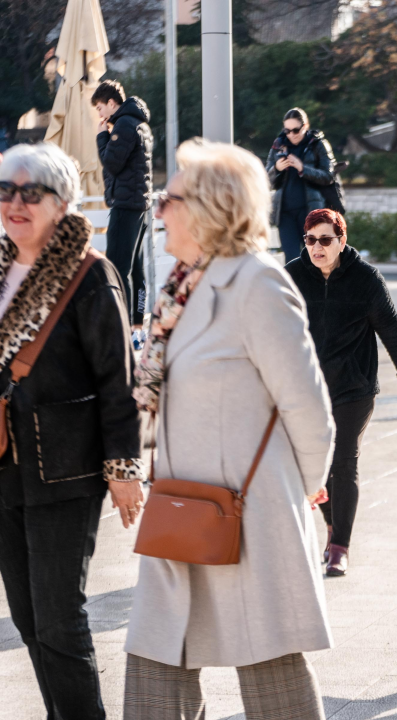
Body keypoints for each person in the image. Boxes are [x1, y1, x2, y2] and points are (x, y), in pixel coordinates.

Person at [124, 140, 336, 718]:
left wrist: (297, 496)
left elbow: (309, 413)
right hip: (178, 512)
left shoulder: (258, 283)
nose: (158, 208)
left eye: (170, 197)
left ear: (212, 206)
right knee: (152, 667)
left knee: (274, 681)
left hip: (248, 519)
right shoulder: (180, 288)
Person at [0, 144, 143, 719]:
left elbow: (119, 380)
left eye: (30, 192)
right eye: (6, 191)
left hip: (66, 468)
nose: (15, 203)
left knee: (60, 619)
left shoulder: (91, 273)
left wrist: (124, 467)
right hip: (6, 463)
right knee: (30, 619)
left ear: (61, 203)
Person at [285, 208, 397, 576]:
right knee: (313, 465)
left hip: (354, 388)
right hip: (308, 388)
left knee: (343, 460)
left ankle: (340, 547)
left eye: (326, 240)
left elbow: (389, 326)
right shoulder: (293, 276)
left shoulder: (365, 279)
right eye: (310, 240)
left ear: (341, 241)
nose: (317, 247)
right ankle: (332, 526)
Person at [92, 79, 152, 344]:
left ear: (112, 103)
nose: (100, 114)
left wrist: (101, 136)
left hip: (126, 206)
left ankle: (123, 330)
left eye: (100, 107)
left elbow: (111, 163)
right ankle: (137, 327)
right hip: (140, 205)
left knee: (117, 269)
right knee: (136, 269)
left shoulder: (125, 124)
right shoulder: (140, 124)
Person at [266, 107, 340, 263]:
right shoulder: (278, 145)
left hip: (311, 212)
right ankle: (296, 288)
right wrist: (276, 169)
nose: (291, 134)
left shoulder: (318, 144)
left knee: (314, 256)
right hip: (284, 213)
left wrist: (302, 168)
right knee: (291, 259)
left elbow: (328, 176)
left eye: (295, 130)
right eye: (287, 130)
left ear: (305, 126)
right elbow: (265, 180)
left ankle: (315, 288)